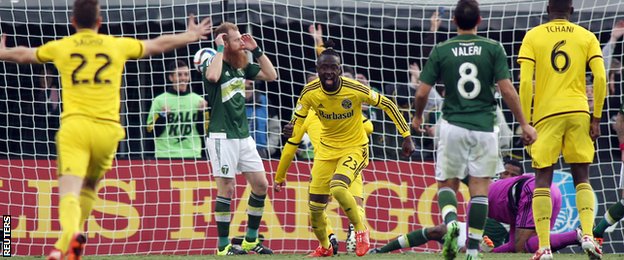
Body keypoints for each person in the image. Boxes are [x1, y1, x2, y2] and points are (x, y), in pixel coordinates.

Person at [0, 0, 212, 259]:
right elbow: (158, 44)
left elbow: (25, 54)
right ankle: (66, 247)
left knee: (68, 190)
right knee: (89, 186)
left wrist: (2, 52)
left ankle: (70, 234)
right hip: (109, 130)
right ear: (100, 23)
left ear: (73, 22)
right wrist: (189, 36)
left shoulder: (62, 46)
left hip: (76, 127)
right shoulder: (116, 44)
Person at [412, 1, 537, 259]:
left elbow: (422, 91)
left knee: (447, 184)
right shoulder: (493, 48)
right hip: (484, 128)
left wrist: (417, 117)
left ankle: (451, 223)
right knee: (480, 189)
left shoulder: (442, 49)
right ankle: (472, 249)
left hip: (452, 126)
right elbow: (507, 90)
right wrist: (524, 123)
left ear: (455, 21)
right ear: (479, 20)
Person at [287, 40, 414, 257]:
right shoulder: (309, 92)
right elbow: (298, 119)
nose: (328, 72)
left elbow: (388, 105)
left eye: (333, 68)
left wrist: (406, 136)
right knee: (315, 208)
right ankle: (325, 247)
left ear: (340, 69)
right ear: (317, 70)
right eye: (324, 68)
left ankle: (361, 230)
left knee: (338, 188)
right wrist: (291, 129)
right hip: (326, 152)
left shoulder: (354, 89)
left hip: (354, 148)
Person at [517, 0, 607, 259]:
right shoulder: (586, 36)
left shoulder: (533, 36)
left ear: (547, 10)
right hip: (579, 112)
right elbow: (600, 78)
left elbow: (525, 82)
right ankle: (588, 235)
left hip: (547, 114)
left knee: (542, 179)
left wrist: (526, 121)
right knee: (583, 177)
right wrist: (596, 117)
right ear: (572, 11)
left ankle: (544, 247)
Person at [368, 159, 585, 255]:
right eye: (505, 173)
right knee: (439, 230)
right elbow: (510, 244)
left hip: (530, 195)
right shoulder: (493, 200)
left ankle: (578, 235)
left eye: (511, 174)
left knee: (521, 246)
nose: (506, 176)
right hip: (546, 191)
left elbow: (504, 245)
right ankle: (382, 250)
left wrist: (481, 249)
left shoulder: (489, 202)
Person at [202, 22, 277, 255]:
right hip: (221, 135)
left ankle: (250, 240)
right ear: (224, 42)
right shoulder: (214, 62)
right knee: (227, 188)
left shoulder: (241, 64)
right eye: (236, 40)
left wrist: (256, 50)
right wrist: (217, 49)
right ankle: (223, 246)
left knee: (261, 185)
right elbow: (213, 77)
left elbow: (271, 75)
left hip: (243, 136)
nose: (240, 43)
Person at [274, 99, 374, 255]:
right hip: (349, 158)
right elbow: (369, 127)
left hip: (324, 163)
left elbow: (289, 148)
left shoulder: (305, 117)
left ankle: (329, 238)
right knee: (355, 201)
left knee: (316, 207)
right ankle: (356, 228)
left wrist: (279, 177)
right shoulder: (342, 108)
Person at [146, 60, 207, 158]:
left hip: (193, 156)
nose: (183, 78)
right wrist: (162, 116)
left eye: (186, 74)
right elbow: (149, 131)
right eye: (179, 75)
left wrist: (202, 114)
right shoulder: (160, 100)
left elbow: (206, 133)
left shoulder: (199, 101)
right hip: (165, 156)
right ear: (171, 77)